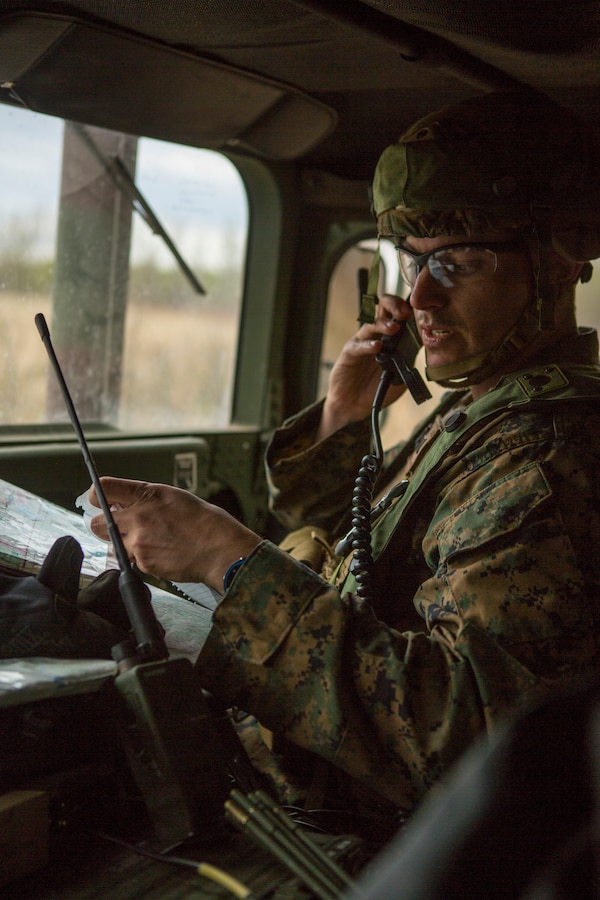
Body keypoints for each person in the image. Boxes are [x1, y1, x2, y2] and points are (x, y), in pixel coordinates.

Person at [89, 91, 600, 833]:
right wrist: (342, 418)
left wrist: (229, 562)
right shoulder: (487, 410)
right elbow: (365, 555)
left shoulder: (544, 452)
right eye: (412, 260)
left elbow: (474, 741)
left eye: (458, 262)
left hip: (357, 828)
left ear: (557, 266)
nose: (420, 297)